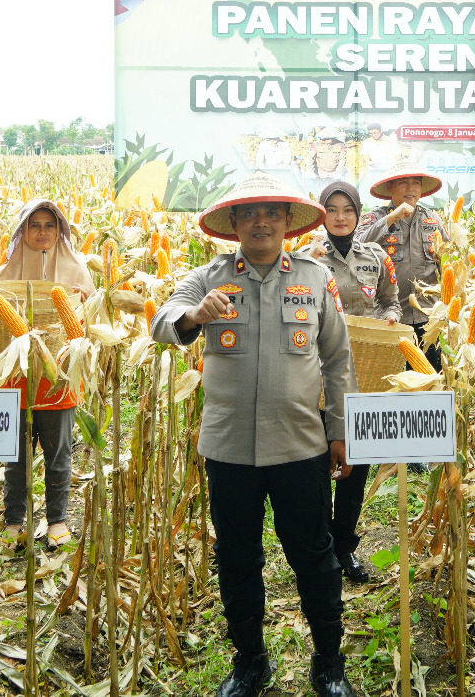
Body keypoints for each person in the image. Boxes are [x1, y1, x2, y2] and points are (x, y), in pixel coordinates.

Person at [150, 172, 358, 697]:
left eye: (272, 212)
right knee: (239, 558)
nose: (261, 221)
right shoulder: (210, 277)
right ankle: (250, 662)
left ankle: (329, 663)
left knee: (314, 555)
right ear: (234, 224)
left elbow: (336, 359)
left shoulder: (313, 279)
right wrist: (195, 314)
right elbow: (163, 319)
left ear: (288, 222)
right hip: (230, 448)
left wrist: (341, 429)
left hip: (299, 444)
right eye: (249, 213)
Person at [0, 200, 94, 547]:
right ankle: (14, 522)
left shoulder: (78, 273)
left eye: (49, 226)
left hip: (59, 381)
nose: (42, 232)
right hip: (17, 380)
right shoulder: (5, 272)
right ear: (22, 231)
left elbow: (92, 325)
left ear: (60, 231)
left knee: (58, 455)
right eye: (34, 225)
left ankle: (56, 521)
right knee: (17, 458)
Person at [304, 179, 398, 584]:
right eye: (332, 210)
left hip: (369, 368)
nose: (340, 217)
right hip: (319, 371)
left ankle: (345, 546)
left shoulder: (375, 255)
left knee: (356, 467)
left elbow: (392, 297)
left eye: (348, 210)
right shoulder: (306, 258)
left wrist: (392, 315)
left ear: (359, 214)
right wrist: (306, 260)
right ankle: (320, 544)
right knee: (319, 459)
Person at [357, 169, 450, 367]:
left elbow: (449, 264)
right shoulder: (374, 218)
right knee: (391, 381)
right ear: (390, 187)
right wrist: (392, 218)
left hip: (429, 321)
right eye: (404, 183)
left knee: (430, 382)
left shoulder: (432, 221)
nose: (411, 188)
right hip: (389, 319)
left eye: (416, 182)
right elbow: (356, 246)